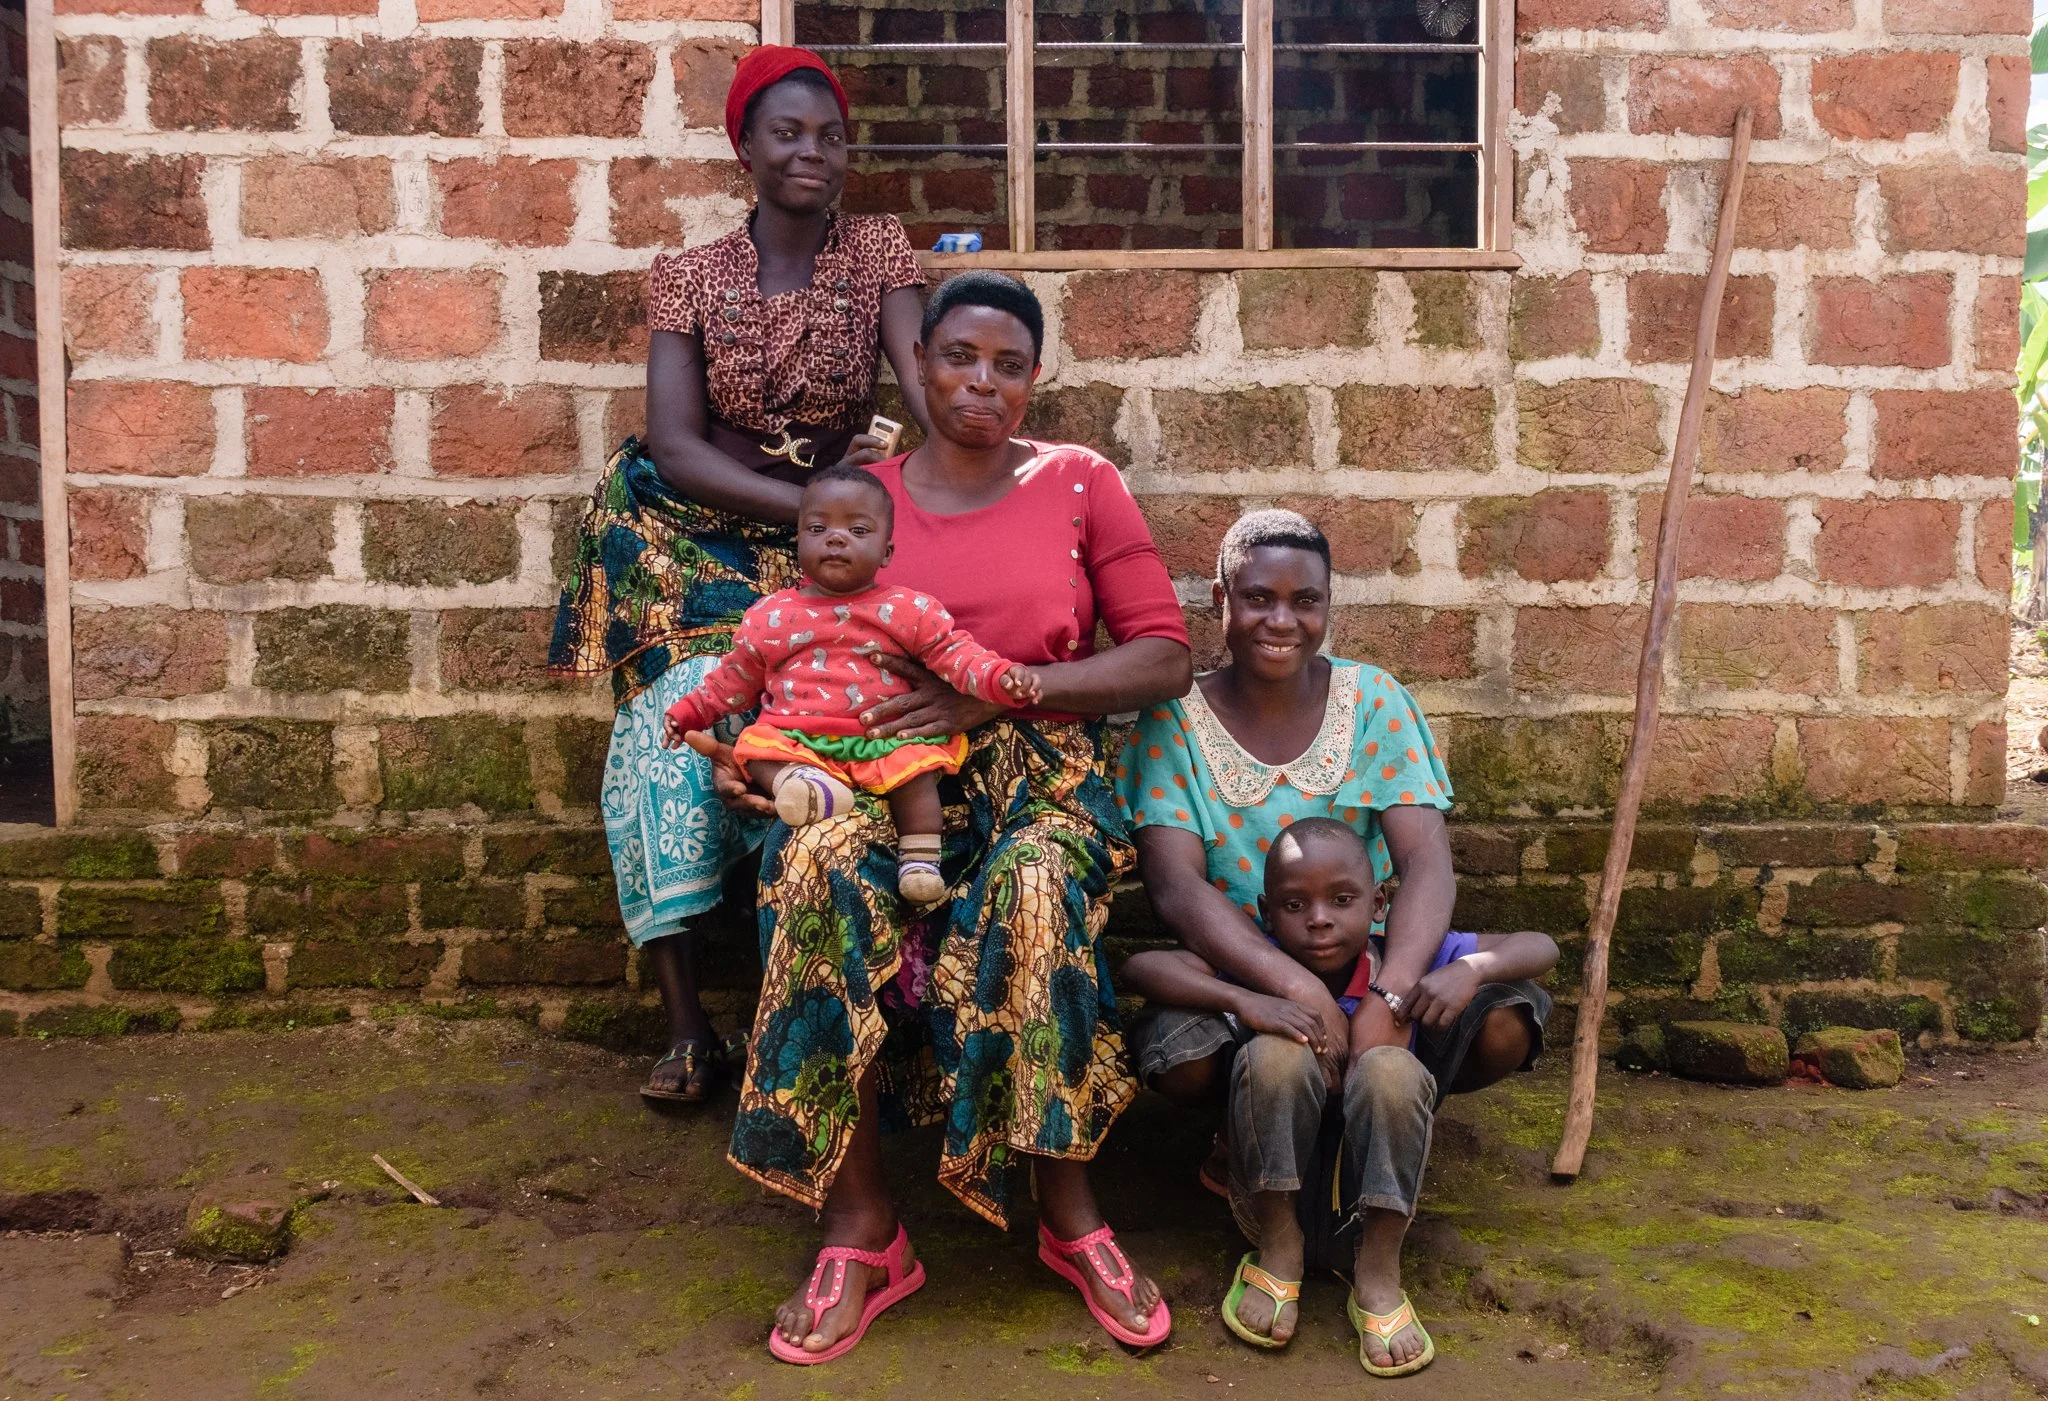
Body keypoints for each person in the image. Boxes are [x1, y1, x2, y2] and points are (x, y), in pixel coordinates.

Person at [693, 271, 1194, 1364]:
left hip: (1038, 776)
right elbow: (781, 651)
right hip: (869, 777)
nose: (981, 382)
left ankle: (1068, 1211)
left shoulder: (1077, 482)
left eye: (1008, 365)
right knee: (813, 864)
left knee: (1035, 883)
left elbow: (1162, 655)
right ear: (915, 366)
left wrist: (1001, 688)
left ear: (1032, 379)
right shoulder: (857, 500)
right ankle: (862, 1226)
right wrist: (752, 760)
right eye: (958, 357)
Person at [548, 45, 930, 1105]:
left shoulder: (880, 255)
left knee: (833, 727)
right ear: (745, 149)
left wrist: (955, 483)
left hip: (826, 539)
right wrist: (809, 506)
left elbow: (922, 385)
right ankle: (685, 1028)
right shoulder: (689, 275)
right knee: (671, 731)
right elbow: (674, 444)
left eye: (830, 136)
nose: (813, 153)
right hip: (684, 533)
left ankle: (817, 1018)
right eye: (788, 134)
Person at [1115, 508, 1557, 1375]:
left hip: (1372, 969)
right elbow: (1175, 887)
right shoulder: (1176, 722)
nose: (1282, 620)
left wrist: (1390, 993)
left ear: (1328, 607)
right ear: (1221, 600)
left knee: (1501, 1024)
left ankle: (1375, 1136)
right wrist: (1292, 989)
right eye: (1258, 598)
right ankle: (1252, 1156)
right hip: (1247, 969)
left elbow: (1428, 862)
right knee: (1181, 1057)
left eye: (1304, 601)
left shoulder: (1374, 702)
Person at [1120, 818, 1557, 1373]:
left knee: (1392, 1071)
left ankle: (1378, 1268)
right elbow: (1141, 966)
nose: (1319, 920)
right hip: (1279, 1159)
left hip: (1374, 1150)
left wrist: (1471, 969)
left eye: (1342, 899)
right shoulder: (1263, 966)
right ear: (1267, 910)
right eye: (1295, 905)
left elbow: (1540, 947)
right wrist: (1245, 1000)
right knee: (1275, 1053)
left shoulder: (1399, 956)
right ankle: (1279, 1247)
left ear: (1379, 903)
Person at [660, 464, 1040, 904]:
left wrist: (999, 678)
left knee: (917, 778)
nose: (836, 538)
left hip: (884, 739)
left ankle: (919, 860)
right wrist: (689, 712)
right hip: (799, 742)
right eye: (818, 527)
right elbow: (734, 678)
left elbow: (956, 656)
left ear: (887, 551)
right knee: (755, 749)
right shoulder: (771, 615)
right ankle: (807, 789)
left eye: (858, 530)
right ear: (798, 540)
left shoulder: (908, 609)